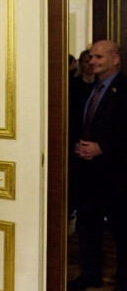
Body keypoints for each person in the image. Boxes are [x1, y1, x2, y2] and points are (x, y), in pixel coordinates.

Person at [69, 40, 127, 291]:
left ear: (115, 59)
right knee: (87, 227)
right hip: (86, 174)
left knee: (120, 230)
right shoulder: (85, 89)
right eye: (91, 57)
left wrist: (102, 147)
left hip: (116, 175)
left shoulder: (124, 89)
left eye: (98, 57)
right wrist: (74, 145)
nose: (92, 62)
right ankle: (90, 274)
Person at [67, 49, 96, 223]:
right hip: (75, 141)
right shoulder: (72, 85)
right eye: (87, 60)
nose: (90, 64)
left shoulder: (100, 86)